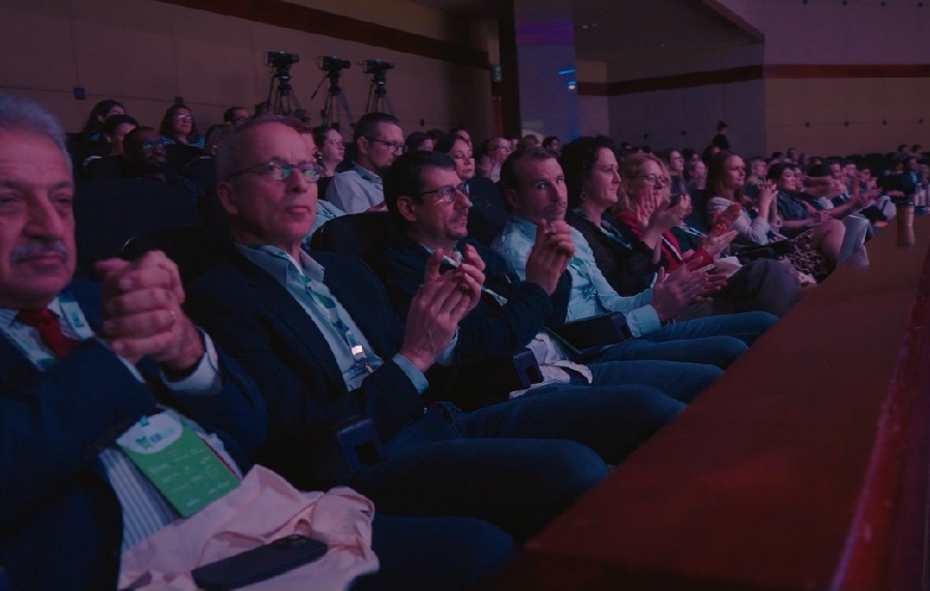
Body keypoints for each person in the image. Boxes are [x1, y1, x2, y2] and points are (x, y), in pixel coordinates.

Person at [0, 93, 515, 591]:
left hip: (258, 514)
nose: (49, 225)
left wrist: (187, 353)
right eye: (8, 202)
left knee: (493, 540)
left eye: (62, 200)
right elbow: (290, 437)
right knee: (485, 548)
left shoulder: (99, 301)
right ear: (228, 196)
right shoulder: (198, 296)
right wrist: (112, 360)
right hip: (149, 560)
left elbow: (247, 425)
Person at [184, 117, 628, 544]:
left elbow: (439, 359)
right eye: (275, 170)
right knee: (573, 471)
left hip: (441, 416)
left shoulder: (347, 271)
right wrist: (419, 354)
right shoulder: (220, 298)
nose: (301, 183)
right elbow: (300, 431)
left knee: (616, 444)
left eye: (307, 167)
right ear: (228, 196)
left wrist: (449, 321)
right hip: (368, 463)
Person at [381, 150, 722, 407]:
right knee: (673, 396)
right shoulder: (410, 269)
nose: (466, 202)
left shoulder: (477, 251)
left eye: (461, 189)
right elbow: (482, 345)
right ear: (409, 209)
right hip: (542, 375)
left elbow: (549, 318)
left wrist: (661, 297)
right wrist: (539, 286)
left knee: (721, 357)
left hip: (567, 361)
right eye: (446, 193)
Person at [493, 146, 777, 369]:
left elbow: (612, 301)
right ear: (514, 198)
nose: (558, 194)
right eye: (542, 186)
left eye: (559, 181)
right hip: (597, 354)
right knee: (731, 350)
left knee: (763, 322)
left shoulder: (571, 233)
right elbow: (566, 336)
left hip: (627, 330)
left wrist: (661, 293)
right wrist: (655, 310)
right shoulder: (517, 250)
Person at [705, 151, 839, 284]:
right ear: (719, 174)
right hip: (767, 257)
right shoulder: (718, 204)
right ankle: (848, 272)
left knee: (838, 225)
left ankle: (849, 272)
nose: (742, 173)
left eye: (743, 168)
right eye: (735, 169)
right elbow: (756, 238)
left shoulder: (740, 200)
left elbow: (773, 229)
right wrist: (764, 204)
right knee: (833, 227)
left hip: (777, 245)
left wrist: (772, 205)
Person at [434, 132, 509, 245]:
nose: (468, 161)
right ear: (442, 159)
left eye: (470, 155)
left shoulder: (485, 184)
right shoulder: (441, 194)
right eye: (459, 156)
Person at [325, 112, 402, 213]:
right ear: (364, 145)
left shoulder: (397, 182)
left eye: (401, 146)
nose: (398, 153)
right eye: (391, 144)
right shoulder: (347, 182)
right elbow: (359, 227)